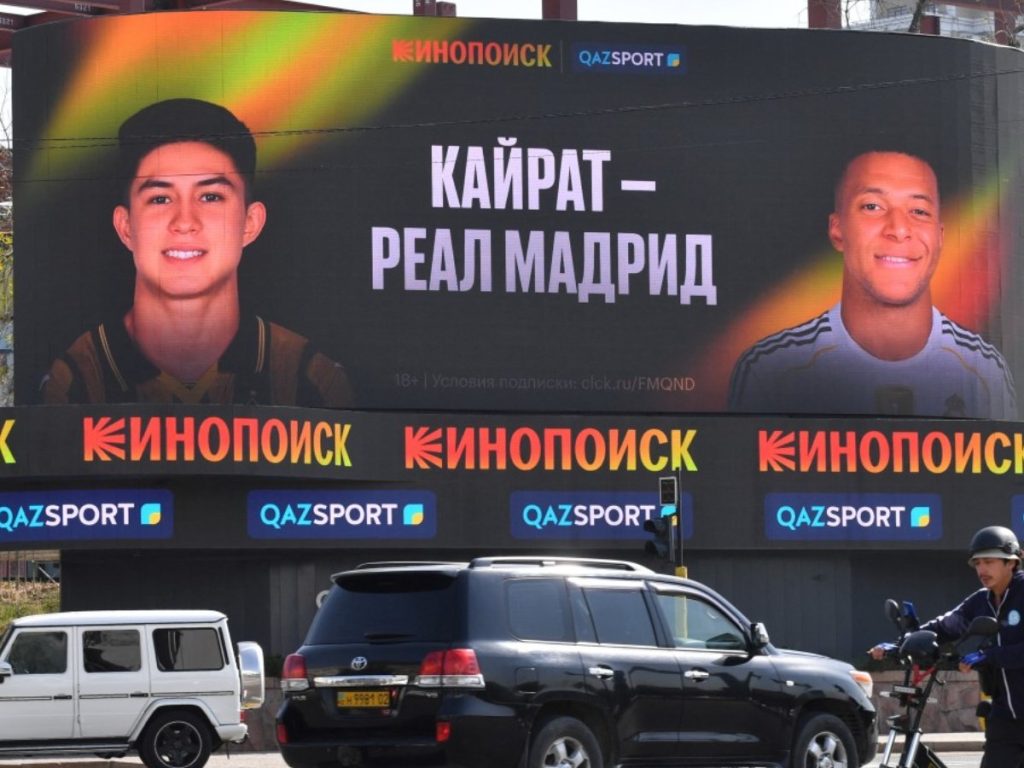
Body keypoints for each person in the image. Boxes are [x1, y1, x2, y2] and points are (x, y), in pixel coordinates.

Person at [41, 98, 354, 407]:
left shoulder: (310, 378)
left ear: (250, 222)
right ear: (125, 227)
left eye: (210, 196)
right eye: (160, 199)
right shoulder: (76, 382)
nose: (185, 222)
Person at [728, 150, 1016, 419]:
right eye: (872, 206)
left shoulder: (984, 370)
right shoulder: (771, 370)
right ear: (837, 229)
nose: (899, 229)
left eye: (919, 211)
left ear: (940, 236)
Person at [870, 526, 1024, 765]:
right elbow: (945, 627)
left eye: (989, 562)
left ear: (1012, 562)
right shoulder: (980, 601)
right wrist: (899, 644)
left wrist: (989, 656)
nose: (982, 569)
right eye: (977, 563)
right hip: (1006, 717)